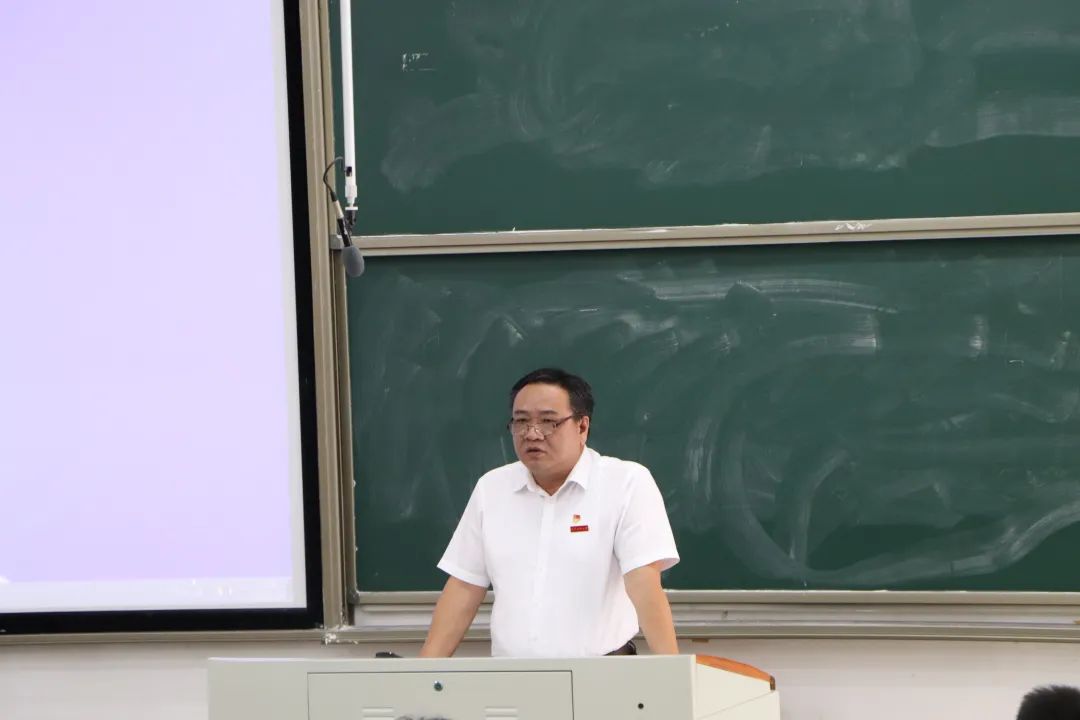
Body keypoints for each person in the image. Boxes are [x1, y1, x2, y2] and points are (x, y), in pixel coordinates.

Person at [419, 368, 680, 658]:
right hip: (512, 676)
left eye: (548, 422)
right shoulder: (491, 488)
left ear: (582, 427)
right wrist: (423, 672)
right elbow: (464, 586)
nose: (532, 434)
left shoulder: (625, 483)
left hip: (601, 673)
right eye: (521, 422)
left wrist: (673, 672)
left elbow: (643, 581)